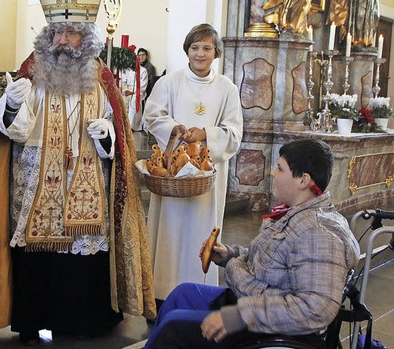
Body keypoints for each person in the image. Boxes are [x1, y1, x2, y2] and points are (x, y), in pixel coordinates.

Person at [0, 0, 155, 345]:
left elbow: (119, 144)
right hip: (35, 183)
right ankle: (33, 321)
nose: (64, 41)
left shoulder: (103, 79)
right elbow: (11, 133)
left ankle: (83, 321)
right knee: (35, 256)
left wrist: (108, 138)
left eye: (72, 33)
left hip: (87, 186)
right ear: (47, 35)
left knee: (81, 257)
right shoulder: (31, 73)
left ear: (86, 38)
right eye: (57, 32)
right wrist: (9, 106)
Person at [145, 138, 360, 348]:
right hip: (251, 300)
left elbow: (315, 309)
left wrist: (240, 315)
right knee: (181, 294)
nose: (272, 173)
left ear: (303, 181)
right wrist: (230, 255)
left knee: (174, 326)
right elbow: (272, 259)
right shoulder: (296, 213)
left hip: (266, 324)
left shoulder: (318, 234)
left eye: (279, 169)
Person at [144, 23, 243, 301]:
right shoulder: (169, 82)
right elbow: (152, 116)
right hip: (172, 176)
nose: (200, 54)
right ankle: (161, 294)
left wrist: (206, 135)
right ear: (187, 50)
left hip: (206, 176)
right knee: (169, 232)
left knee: (200, 230)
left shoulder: (227, 89)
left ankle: (199, 293)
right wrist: (175, 129)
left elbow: (234, 133)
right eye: (195, 47)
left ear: (216, 53)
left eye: (207, 48)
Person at [119, 52, 148, 131]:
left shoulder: (143, 71)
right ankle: (120, 124)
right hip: (126, 90)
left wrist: (132, 92)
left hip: (138, 92)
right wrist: (125, 91)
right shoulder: (126, 70)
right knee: (119, 97)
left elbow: (142, 86)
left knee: (134, 99)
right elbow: (122, 82)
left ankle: (132, 126)